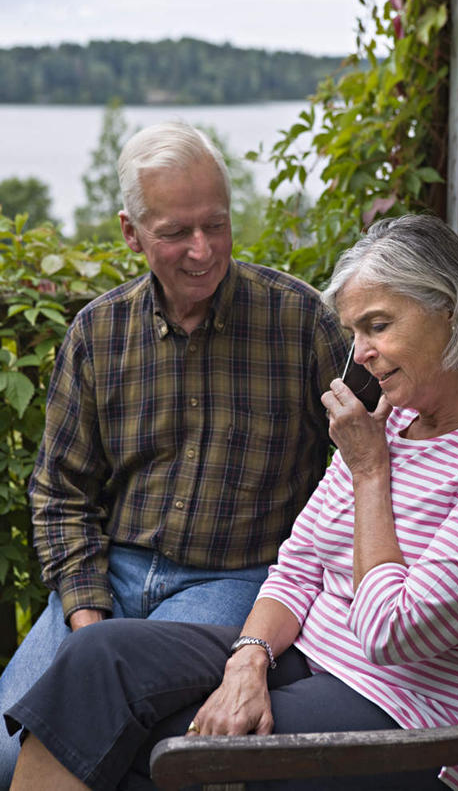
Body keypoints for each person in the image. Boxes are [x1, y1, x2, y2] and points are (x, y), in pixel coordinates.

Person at [7, 214, 458, 791]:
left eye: (378, 326)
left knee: (146, 743)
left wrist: (370, 473)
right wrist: (248, 659)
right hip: (309, 662)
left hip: (419, 727)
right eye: (354, 332)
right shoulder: (389, 421)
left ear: (451, 311)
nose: (360, 354)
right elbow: (298, 565)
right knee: (99, 660)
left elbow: (392, 633)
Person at [0, 120, 350, 786]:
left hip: (232, 579)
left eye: (216, 225)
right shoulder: (98, 332)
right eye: (175, 232)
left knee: (113, 751)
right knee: (11, 757)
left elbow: (362, 463)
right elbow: (61, 492)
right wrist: (87, 621)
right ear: (131, 233)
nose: (202, 250)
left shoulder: (303, 322)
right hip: (112, 573)